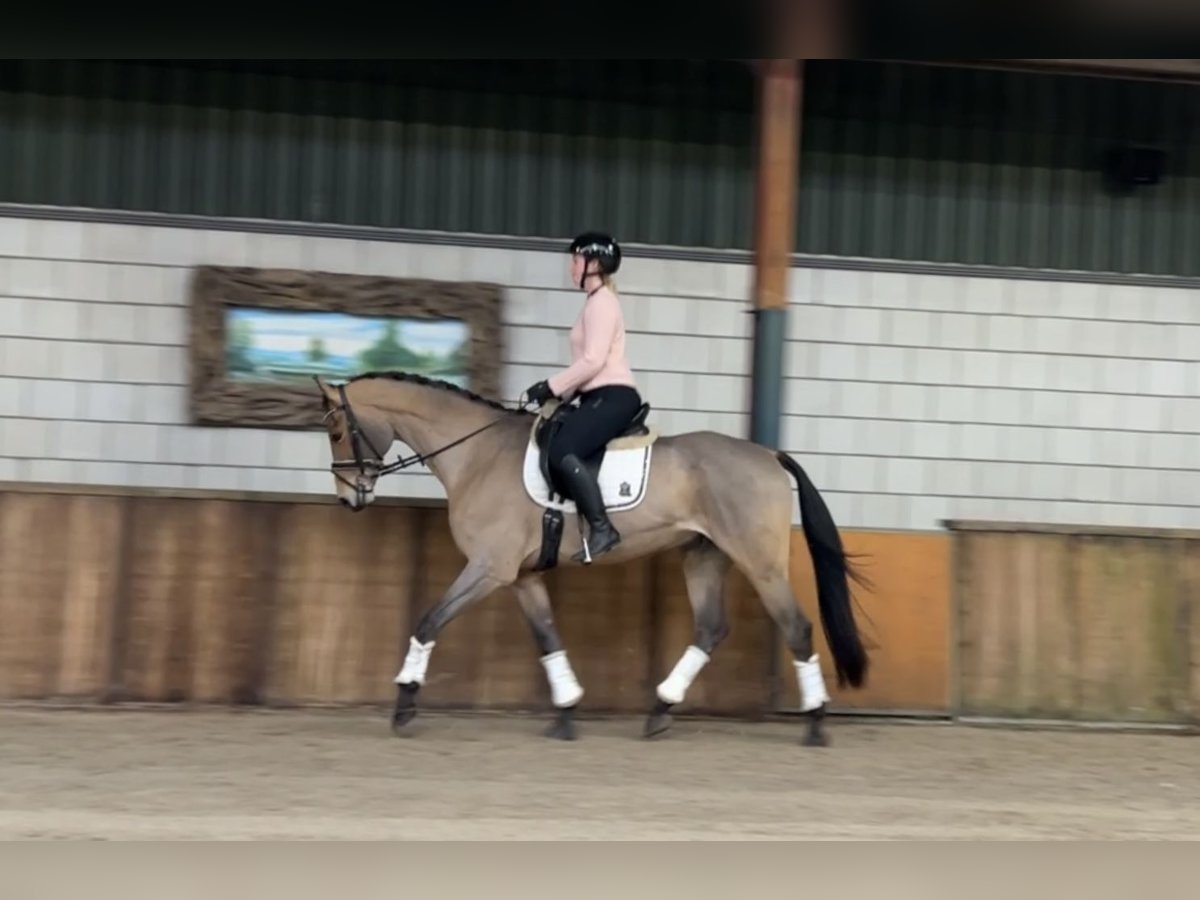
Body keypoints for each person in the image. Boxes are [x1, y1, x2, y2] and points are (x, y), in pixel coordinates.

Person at [525, 231, 643, 563]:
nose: (570, 267)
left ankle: (603, 527)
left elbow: (593, 360)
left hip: (613, 396)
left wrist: (551, 385)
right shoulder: (594, 302)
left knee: (564, 449)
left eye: (575, 259)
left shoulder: (603, 303)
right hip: (595, 396)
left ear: (593, 264)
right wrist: (561, 393)